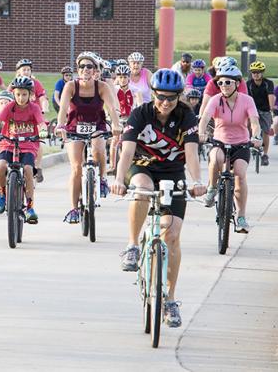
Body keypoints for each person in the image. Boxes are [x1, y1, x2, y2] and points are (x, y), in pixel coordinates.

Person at [111, 68, 206, 328]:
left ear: (179, 97)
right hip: (142, 166)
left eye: (172, 98)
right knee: (141, 187)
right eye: (161, 97)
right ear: (153, 94)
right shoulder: (140, 114)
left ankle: (171, 299)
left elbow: (192, 153)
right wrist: (119, 180)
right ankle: (132, 245)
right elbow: (127, 151)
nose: (165, 102)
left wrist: (197, 182)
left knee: (172, 236)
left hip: (173, 172)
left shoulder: (186, 116)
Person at [55, 52, 121, 224]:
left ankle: (103, 179)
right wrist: (60, 125)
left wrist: (116, 125)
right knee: (77, 167)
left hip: (97, 125)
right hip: (74, 126)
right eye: (82, 66)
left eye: (89, 66)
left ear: (96, 70)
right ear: (78, 69)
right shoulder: (71, 86)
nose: (85, 69)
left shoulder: (102, 87)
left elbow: (112, 108)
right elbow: (62, 109)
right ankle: (74, 209)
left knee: (99, 147)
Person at [198, 64, 262, 233]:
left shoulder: (247, 100)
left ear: (237, 83)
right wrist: (201, 133)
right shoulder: (215, 100)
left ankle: (241, 217)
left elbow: (254, 123)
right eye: (220, 83)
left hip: (241, 143)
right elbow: (204, 119)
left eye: (228, 82)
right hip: (220, 140)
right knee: (215, 159)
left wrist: (256, 136)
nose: (224, 86)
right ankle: (211, 189)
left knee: (240, 175)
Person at [0, 76, 48, 224]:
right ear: (13, 93)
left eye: (24, 94)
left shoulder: (34, 108)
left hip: (28, 145)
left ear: (30, 95)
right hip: (8, 143)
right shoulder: (9, 107)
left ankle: (30, 206)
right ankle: (2, 194)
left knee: (27, 169)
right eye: (18, 94)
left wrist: (43, 131)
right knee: (0, 166)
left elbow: (41, 123)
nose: (21, 97)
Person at [14, 58, 49, 182]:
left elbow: (43, 98)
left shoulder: (36, 83)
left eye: (28, 69)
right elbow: (7, 97)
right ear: (18, 71)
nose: (27, 72)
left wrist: (44, 109)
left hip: (35, 115)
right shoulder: (15, 83)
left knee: (37, 140)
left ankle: (38, 167)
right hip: (20, 117)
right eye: (24, 69)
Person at [247, 61, 275, 166]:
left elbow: (271, 96)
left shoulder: (268, 83)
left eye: (258, 72)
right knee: (248, 127)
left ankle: (265, 155)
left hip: (265, 110)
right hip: (252, 110)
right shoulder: (248, 84)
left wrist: (272, 109)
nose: (256, 74)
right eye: (254, 72)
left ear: (262, 73)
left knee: (266, 132)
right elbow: (246, 98)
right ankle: (249, 146)